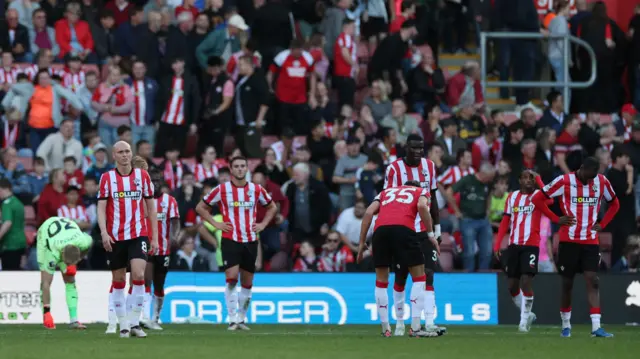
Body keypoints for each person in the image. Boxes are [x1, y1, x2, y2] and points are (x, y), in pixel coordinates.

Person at [532, 157, 620, 338]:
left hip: (590, 240)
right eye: (588, 176)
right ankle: (566, 325)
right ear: (581, 169)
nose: (590, 181)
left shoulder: (601, 182)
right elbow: (538, 198)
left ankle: (596, 327)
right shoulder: (565, 181)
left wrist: (603, 224)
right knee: (567, 283)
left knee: (593, 279)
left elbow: (615, 204)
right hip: (568, 240)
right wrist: (556, 218)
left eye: (593, 178)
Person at [195, 156, 277, 330]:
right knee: (232, 278)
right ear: (231, 170)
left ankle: (241, 318)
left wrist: (262, 224)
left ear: (247, 169)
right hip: (230, 239)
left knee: (247, 282)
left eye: (243, 166)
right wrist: (216, 224)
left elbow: (272, 207)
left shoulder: (256, 189)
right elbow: (200, 207)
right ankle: (232, 318)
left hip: (250, 240)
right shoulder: (222, 189)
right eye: (236, 167)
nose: (240, 169)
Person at [356, 180, 439, 337]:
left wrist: (361, 243)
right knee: (420, 278)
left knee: (381, 281)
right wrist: (430, 234)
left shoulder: (386, 192)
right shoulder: (420, 191)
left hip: (380, 232)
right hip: (404, 230)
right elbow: (422, 206)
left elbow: (368, 212)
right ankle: (415, 328)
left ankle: (385, 329)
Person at [494, 170, 573, 332]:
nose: (528, 181)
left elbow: (550, 200)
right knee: (512, 286)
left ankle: (523, 322)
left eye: (531, 178)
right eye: (525, 178)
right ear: (519, 181)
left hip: (531, 245)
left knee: (526, 281)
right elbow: (505, 222)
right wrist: (497, 244)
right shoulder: (512, 197)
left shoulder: (538, 195)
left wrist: (539, 178)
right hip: (514, 244)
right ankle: (528, 314)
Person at [382, 133, 441, 336]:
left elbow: (433, 198)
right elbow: (387, 199)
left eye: (421, 148)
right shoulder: (393, 169)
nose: (417, 152)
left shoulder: (430, 167)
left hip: (425, 231)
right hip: (403, 229)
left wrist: (437, 229)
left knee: (429, 275)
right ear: (405, 148)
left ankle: (430, 321)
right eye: (414, 148)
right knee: (400, 277)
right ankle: (399, 323)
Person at [98, 141, 158, 338]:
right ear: (114, 155)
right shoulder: (107, 178)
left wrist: (154, 237)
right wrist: (104, 233)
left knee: (139, 275)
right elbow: (100, 208)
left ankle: (134, 324)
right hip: (115, 237)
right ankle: (122, 324)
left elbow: (151, 208)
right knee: (118, 280)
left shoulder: (142, 176)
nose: (125, 155)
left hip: (138, 233)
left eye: (127, 151)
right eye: (121, 152)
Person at [140, 169, 180, 330]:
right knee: (145, 280)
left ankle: (155, 318)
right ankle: (145, 316)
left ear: (162, 183)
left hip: (164, 249)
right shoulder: (142, 201)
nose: (155, 183)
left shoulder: (169, 201)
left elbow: (176, 221)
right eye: (152, 180)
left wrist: (174, 237)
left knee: (159, 285)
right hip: (147, 247)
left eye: (157, 181)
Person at [37, 216, 92, 329]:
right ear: (61, 256)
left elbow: (90, 242)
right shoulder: (52, 252)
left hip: (66, 233)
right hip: (45, 233)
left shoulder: (83, 241)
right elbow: (46, 284)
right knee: (46, 280)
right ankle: (46, 315)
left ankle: (74, 320)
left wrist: (79, 258)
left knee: (70, 280)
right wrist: (47, 311)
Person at [0, 178, 26, 270]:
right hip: (20, 242)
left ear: (4, 189)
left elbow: (7, 222)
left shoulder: (7, 204)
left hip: (10, 245)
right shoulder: (18, 202)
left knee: (9, 275)